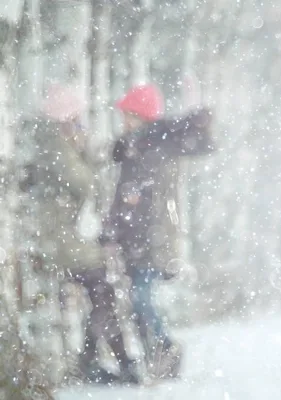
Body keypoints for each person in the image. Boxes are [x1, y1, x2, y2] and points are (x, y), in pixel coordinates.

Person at [23, 84, 140, 384]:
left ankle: (96, 362)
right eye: (75, 120)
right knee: (102, 288)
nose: (79, 126)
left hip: (65, 238)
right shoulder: (53, 146)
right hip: (59, 241)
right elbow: (84, 182)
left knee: (102, 292)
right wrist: (85, 151)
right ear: (64, 120)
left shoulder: (55, 143)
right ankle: (110, 362)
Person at [100, 83, 215, 379]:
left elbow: (145, 200)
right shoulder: (135, 148)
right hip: (137, 239)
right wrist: (113, 229)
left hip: (152, 240)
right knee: (138, 302)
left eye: (130, 116)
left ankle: (166, 351)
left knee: (141, 298)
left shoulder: (154, 147)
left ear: (142, 118)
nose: (124, 122)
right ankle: (159, 356)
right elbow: (123, 196)